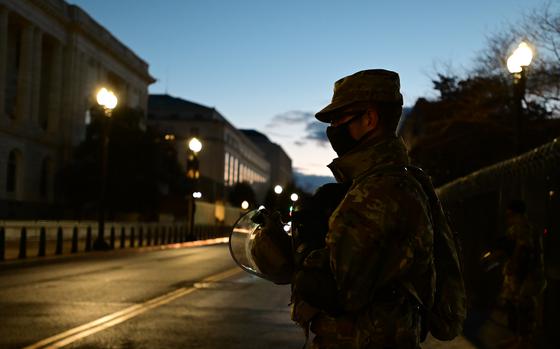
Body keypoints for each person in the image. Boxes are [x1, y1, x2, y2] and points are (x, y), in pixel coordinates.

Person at [290, 69, 438, 349]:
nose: (332, 129)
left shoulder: (377, 190)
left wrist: (305, 247)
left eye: (339, 119)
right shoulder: (391, 179)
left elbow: (337, 291)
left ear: (369, 119)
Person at [500, 200, 546, 348]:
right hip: (522, 274)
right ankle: (518, 338)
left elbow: (523, 249)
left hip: (530, 274)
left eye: (511, 214)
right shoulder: (516, 228)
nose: (509, 218)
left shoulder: (524, 227)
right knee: (516, 305)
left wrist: (513, 265)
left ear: (518, 214)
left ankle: (524, 341)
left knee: (525, 307)